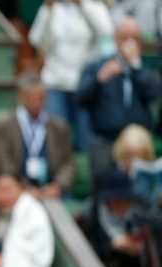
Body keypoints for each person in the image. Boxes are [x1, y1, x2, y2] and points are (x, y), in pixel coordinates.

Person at [76, 17, 162, 179]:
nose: (130, 43)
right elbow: (80, 99)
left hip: (136, 141)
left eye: (135, 38)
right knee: (103, 181)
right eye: (125, 37)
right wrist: (98, 80)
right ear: (116, 39)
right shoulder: (97, 66)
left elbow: (155, 94)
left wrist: (136, 67)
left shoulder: (144, 69)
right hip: (105, 138)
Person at [29, 0, 114, 153]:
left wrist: (82, 4)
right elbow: (35, 39)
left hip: (83, 85)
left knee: (84, 142)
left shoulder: (94, 6)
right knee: (56, 141)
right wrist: (47, 9)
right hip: (54, 82)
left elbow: (106, 32)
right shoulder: (52, 7)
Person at [0, 71, 74, 198]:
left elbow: (68, 163)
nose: (36, 102)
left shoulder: (58, 127)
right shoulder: (4, 125)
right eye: (31, 98)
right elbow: (2, 162)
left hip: (51, 190)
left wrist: (58, 186)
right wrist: (22, 187)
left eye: (41, 98)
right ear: (20, 97)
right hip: (16, 190)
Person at [79, 168, 149, 267]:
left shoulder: (137, 218)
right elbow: (84, 257)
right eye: (117, 200)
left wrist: (137, 252)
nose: (122, 204)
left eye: (125, 199)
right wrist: (111, 246)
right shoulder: (90, 218)